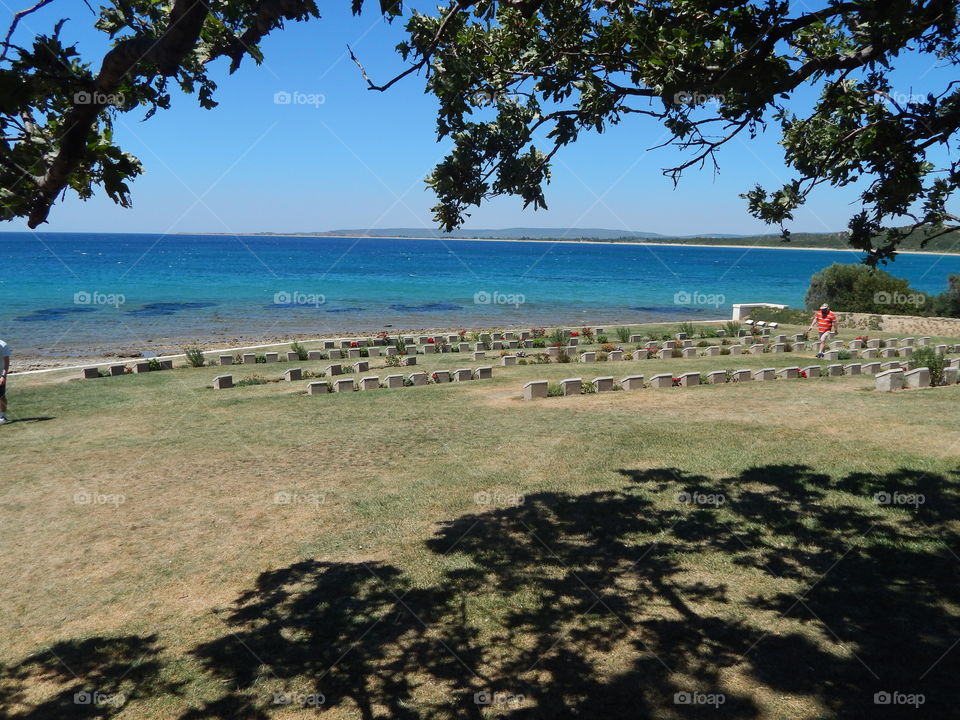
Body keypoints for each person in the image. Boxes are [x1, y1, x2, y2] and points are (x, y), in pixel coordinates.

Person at [0, 338, 8, 424]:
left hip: (0, 374)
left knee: (1, 396)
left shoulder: (3, 345)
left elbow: (6, 362)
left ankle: (3, 416)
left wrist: (3, 376)